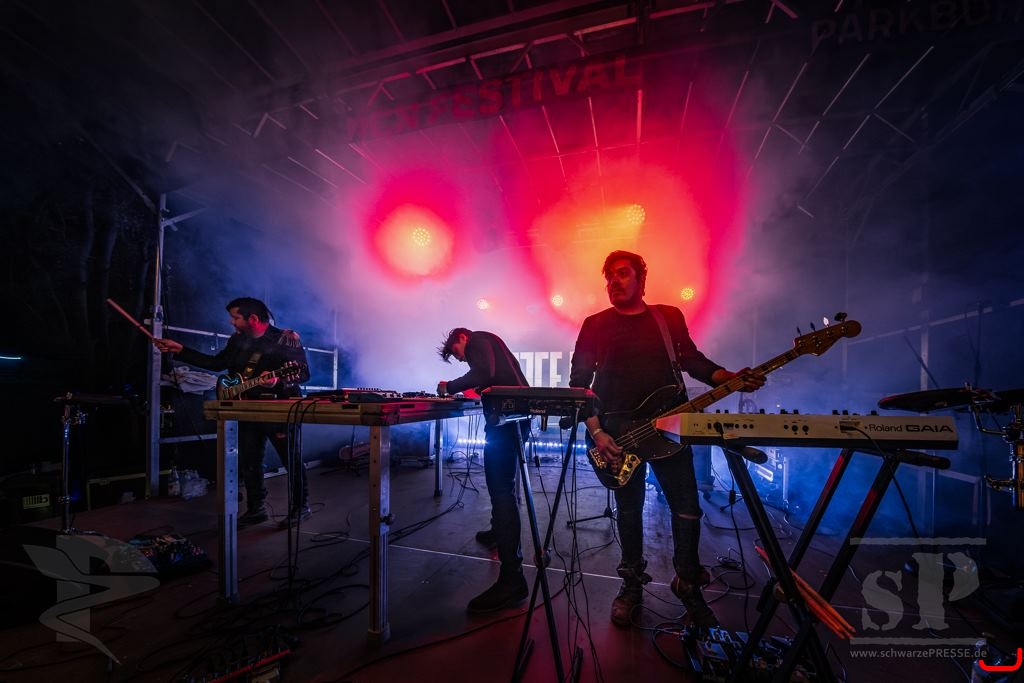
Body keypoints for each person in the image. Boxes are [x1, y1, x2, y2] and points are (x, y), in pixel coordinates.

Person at [569, 251, 764, 628]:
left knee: (687, 508)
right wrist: (596, 432)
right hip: (618, 434)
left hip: (670, 426)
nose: (613, 281)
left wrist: (726, 377)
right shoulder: (595, 324)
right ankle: (631, 585)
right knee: (628, 511)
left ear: (641, 278)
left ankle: (688, 584)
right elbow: (580, 385)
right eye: (608, 276)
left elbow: (692, 360)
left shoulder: (667, 317)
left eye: (622, 274)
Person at [153, 297, 312, 528]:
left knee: (290, 458)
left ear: (253, 318)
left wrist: (278, 382)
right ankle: (256, 508)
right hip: (244, 407)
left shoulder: (285, 338)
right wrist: (182, 350)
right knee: (250, 460)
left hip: (278, 409)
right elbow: (217, 363)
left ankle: (301, 506)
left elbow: (304, 374)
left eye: (235, 317)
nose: (232, 322)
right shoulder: (238, 340)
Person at [437, 327, 531, 613]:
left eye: (457, 353)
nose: (462, 359)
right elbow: (489, 375)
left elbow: (482, 373)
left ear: (461, 338)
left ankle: (512, 579)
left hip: (507, 419)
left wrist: (449, 386)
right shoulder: (490, 343)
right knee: (502, 486)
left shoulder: (478, 338)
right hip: (513, 416)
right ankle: (497, 532)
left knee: (501, 489)